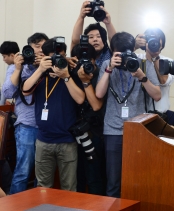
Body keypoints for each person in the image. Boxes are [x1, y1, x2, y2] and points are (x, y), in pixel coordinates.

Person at [95, 32, 161, 197]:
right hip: (113, 130)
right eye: (119, 53)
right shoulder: (106, 65)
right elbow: (99, 94)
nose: (124, 57)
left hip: (138, 130)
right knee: (113, 182)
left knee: (137, 180)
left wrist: (142, 76)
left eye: (127, 53)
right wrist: (109, 69)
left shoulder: (144, 65)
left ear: (133, 49)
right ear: (113, 51)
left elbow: (157, 95)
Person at [22, 38, 85, 191]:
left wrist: (66, 76)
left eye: (61, 56)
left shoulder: (71, 75)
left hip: (67, 141)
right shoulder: (40, 75)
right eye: (52, 57)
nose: (57, 60)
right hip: (43, 140)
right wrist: (40, 69)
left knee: (69, 188)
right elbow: (25, 90)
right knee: (43, 188)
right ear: (44, 57)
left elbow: (80, 99)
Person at [2, 33, 49, 194]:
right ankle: (15, 206)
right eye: (36, 46)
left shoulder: (49, 65)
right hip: (27, 126)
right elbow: (7, 92)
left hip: (46, 127)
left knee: (41, 174)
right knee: (23, 171)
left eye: (44, 46)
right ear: (29, 48)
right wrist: (17, 69)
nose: (40, 50)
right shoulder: (19, 67)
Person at [70, 43, 106, 195]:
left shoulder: (99, 75)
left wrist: (86, 81)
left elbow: (96, 105)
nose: (82, 65)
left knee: (94, 177)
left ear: (93, 60)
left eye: (87, 60)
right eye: (78, 61)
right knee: (77, 177)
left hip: (95, 133)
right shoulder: (70, 75)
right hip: (74, 134)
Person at [135, 28, 174, 131]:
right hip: (139, 117)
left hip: (162, 116)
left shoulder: (168, 62)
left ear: (162, 43)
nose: (154, 41)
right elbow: (118, 54)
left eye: (157, 38)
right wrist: (135, 45)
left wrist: (155, 57)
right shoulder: (137, 59)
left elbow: (163, 81)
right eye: (151, 38)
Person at [69, 0, 116, 70]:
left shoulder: (110, 54)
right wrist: (81, 17)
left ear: (104, 39)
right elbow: (75, 41)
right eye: (91, 37)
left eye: (99, 36)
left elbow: (115, 42)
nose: (95, 39)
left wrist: (108, 23)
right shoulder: (80, 54)